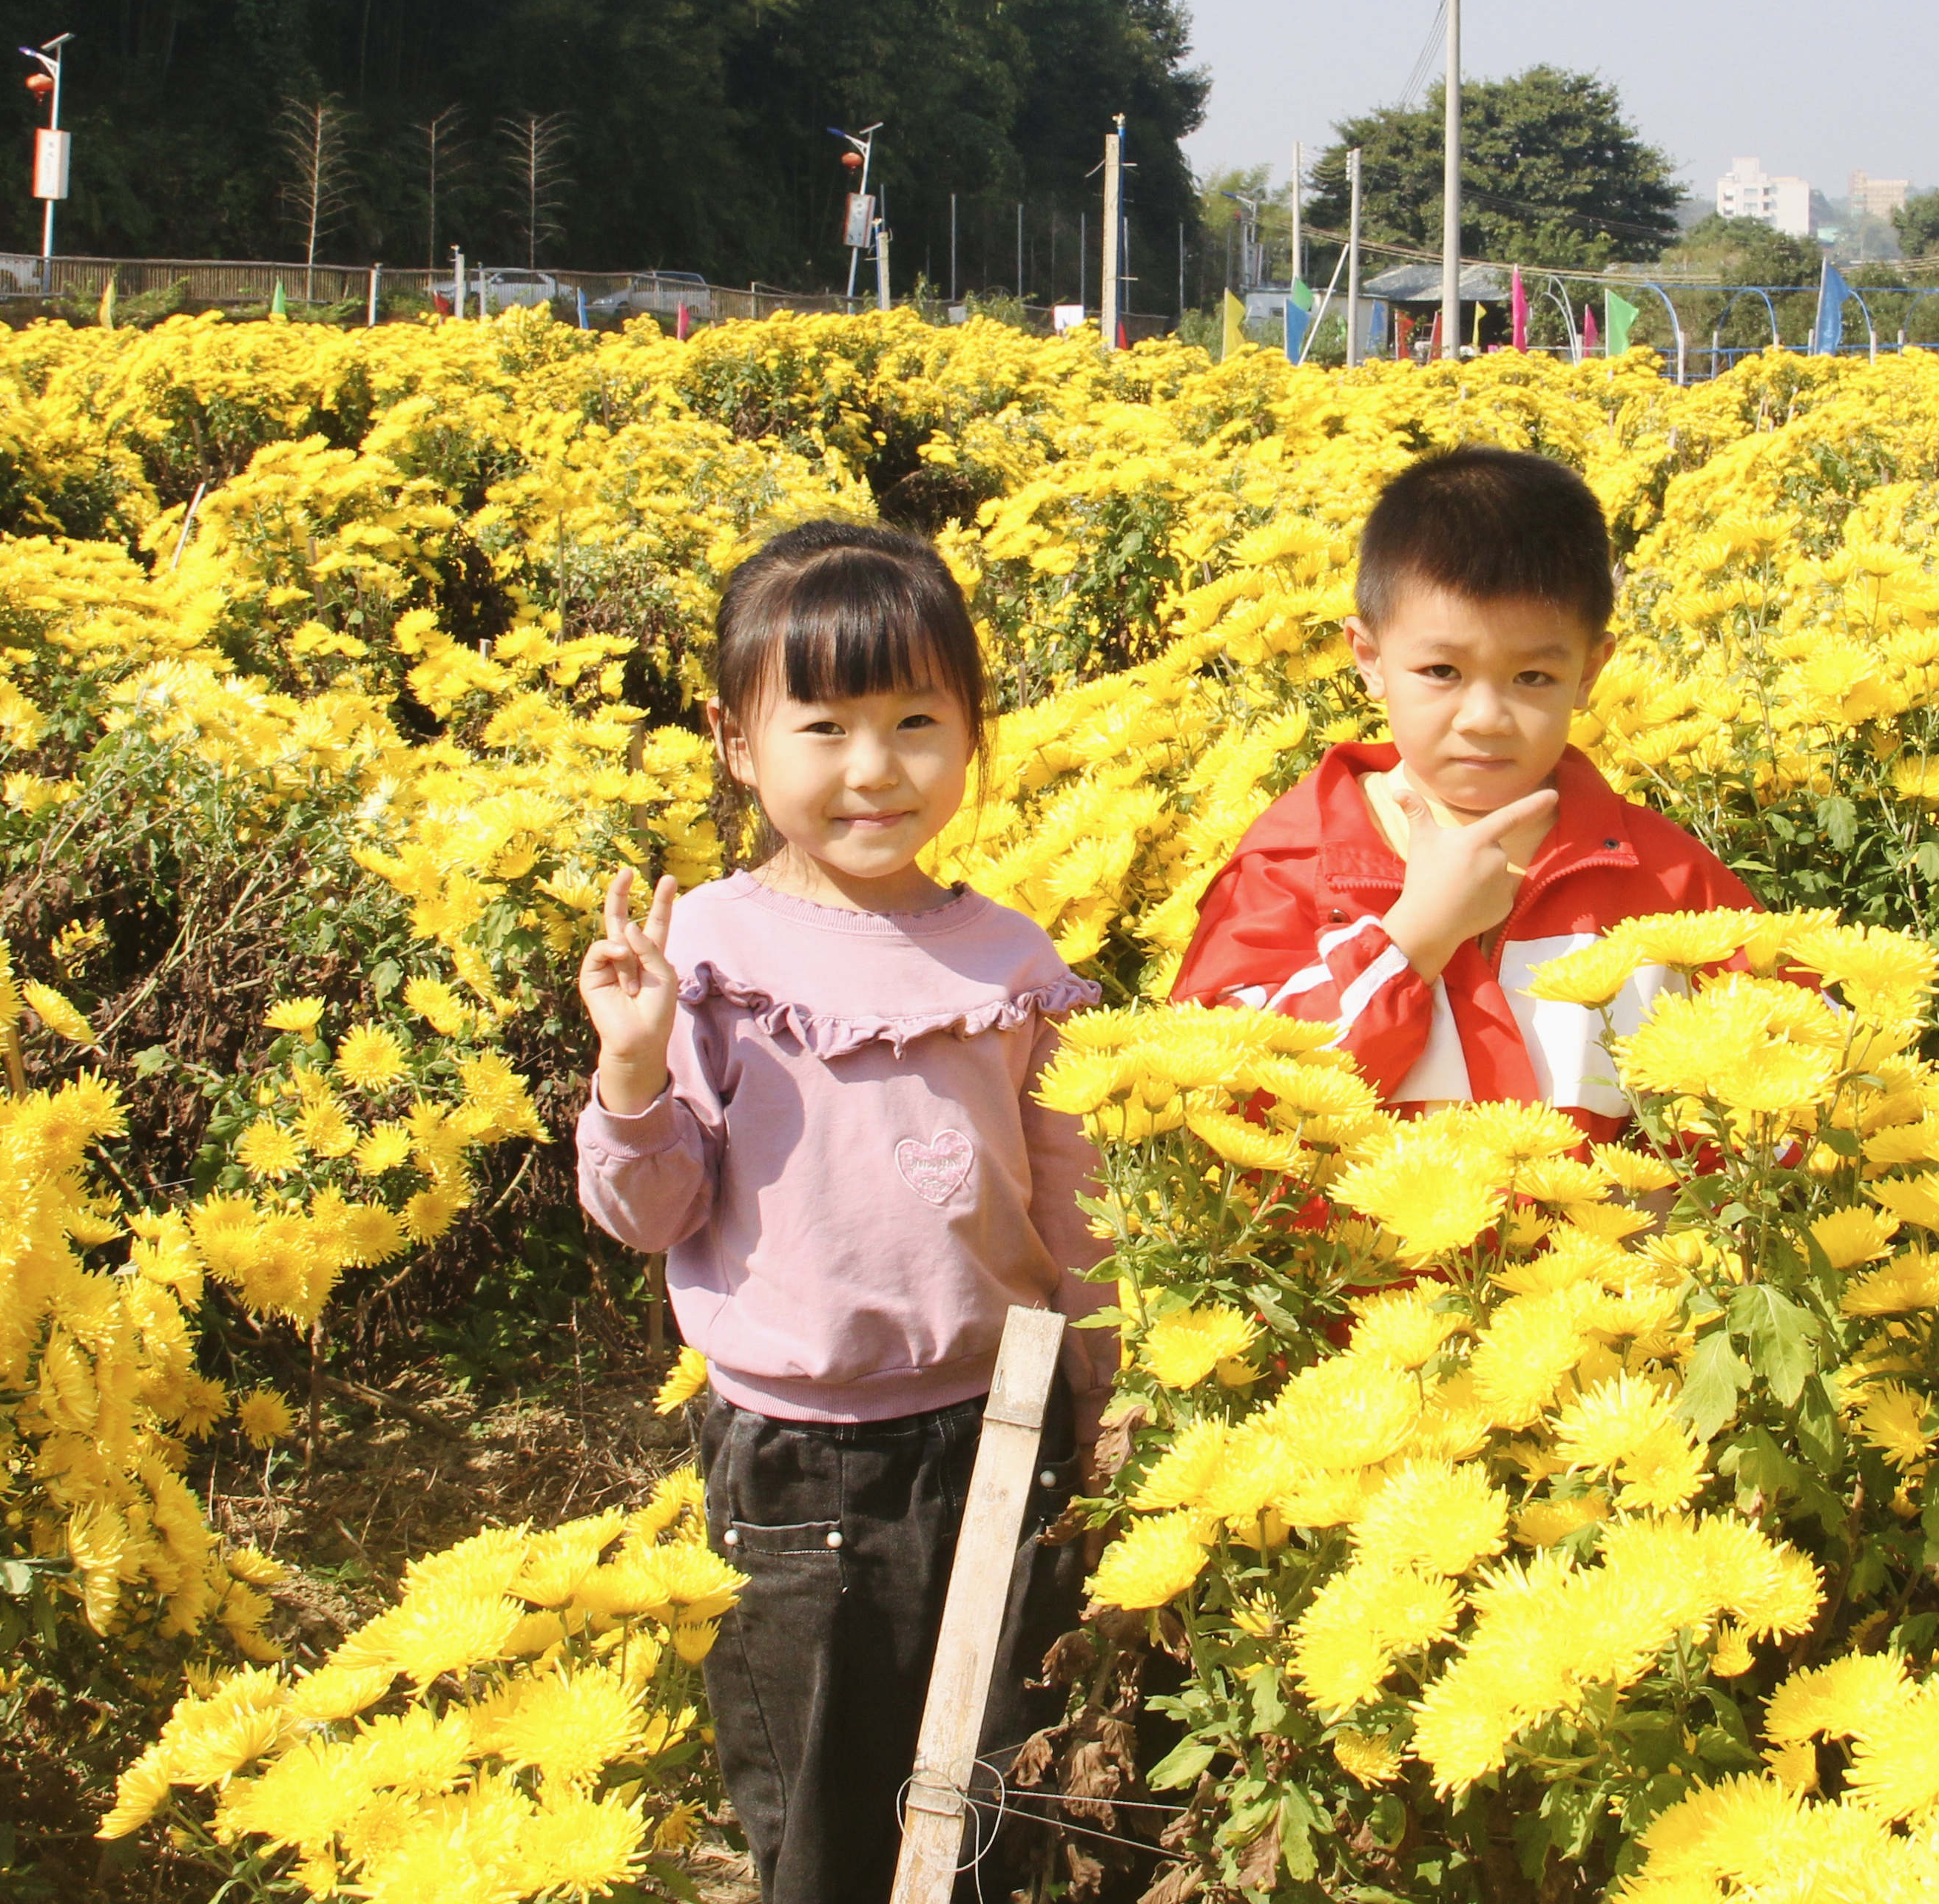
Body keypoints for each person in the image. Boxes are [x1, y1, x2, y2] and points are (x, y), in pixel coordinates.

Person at [576, 519, 1105, 1904]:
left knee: (990, 1795)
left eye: (917, 721)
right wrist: (631, 1071)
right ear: (736, 741)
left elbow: (1074, 1206)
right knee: (817, 1820)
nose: (874, 769)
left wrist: (1108, 1392)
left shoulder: (1011, 960)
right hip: (795, 1463)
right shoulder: (710, 955)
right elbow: (652, 1211)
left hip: (999, 1432)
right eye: (824, 725)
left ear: (973, 733)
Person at [1170, 445, 1753, 1135]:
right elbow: (1219, 1102)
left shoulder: (1669, 880)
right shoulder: (1292, 870)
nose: (1485, 718)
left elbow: (1778, 1087)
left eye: (1532, 678)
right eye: (1442, 670)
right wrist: (1414, 939)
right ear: (1369, 658)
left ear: (1591, 671)